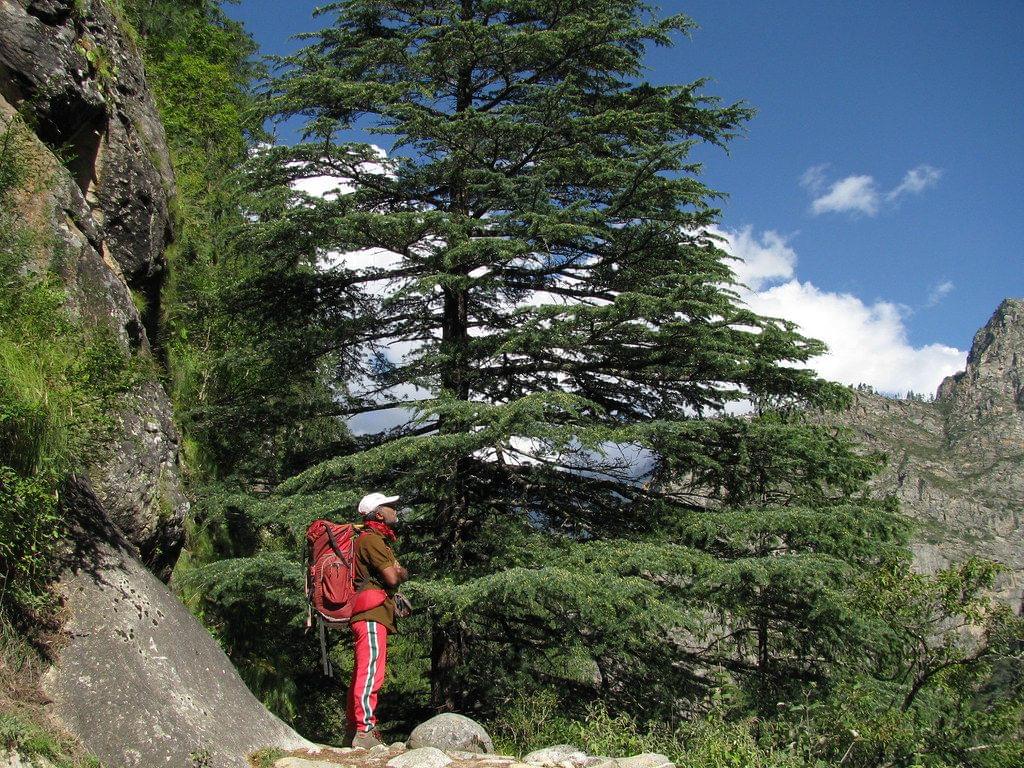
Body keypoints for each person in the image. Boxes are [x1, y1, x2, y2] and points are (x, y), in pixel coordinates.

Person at [346, 492, 409, 748]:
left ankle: (355, 729)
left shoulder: (374, 539)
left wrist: (396, 571)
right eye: (390, 506)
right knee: (371, 671)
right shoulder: (371, 540)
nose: (396, 509)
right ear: (379, 513)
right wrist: (401, 572)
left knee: (364, 669)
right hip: (372, 614)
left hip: (370, 612)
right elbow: (393, 578)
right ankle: (364, 731)